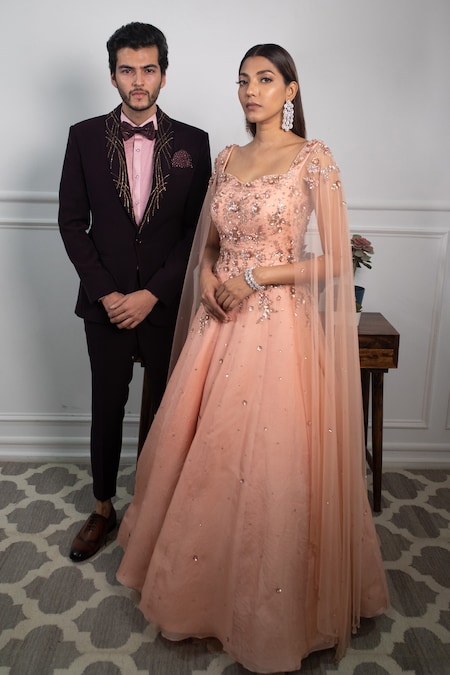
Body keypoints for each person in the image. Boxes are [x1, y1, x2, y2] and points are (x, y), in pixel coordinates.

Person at [116, 43, 389, 673]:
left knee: (272, 463)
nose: (251, 90)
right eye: (243, 80)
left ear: (291, 91)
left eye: (266, 80)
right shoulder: (227, 158)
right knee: (205, 456)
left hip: (277, 331)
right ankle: (201, 589)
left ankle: (273, 608)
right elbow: (208, 245)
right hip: (219, 325)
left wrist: (260, 276)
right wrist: (210, 276)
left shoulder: (313, 159)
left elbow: (335, 260)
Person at [58, 22, 211, 563]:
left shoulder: (194, 143)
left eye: (148, 68)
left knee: (165, 412)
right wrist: (108, 295)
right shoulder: (82, 136)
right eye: (128, 69)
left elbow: (198, 230)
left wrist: (153, 293)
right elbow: (72, 223)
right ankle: (103, 508)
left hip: (165, 304)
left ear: (164, 75)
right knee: (107, 406)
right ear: (113, 75)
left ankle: (154, 508)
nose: (138, 79)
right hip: (106, 306)